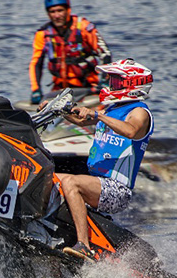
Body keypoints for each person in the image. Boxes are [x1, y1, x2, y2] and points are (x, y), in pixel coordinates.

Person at [56, 58, 154, 260]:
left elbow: (131, 130)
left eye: (116, 81)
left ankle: (83, 245)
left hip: (117, 189)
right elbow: (81, 118)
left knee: (71, 182)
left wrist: (98, 115)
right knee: (48, 176)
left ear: (131, 85)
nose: (110, 85)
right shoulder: (111, 110)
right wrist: (58, 109)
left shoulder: (139, 112)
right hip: (98, 184)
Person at [29, 0, 112, 105]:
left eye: (60, 10)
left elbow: (105, 53)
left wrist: (105, 80)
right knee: (46, 107)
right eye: (52, 12)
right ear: (48, 14)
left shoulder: (83, 27)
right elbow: (36, 64)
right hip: (60, 90)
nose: (57, 15)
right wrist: (35, 89)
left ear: (68, 10)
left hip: (89, 89)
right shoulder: (43, 34)